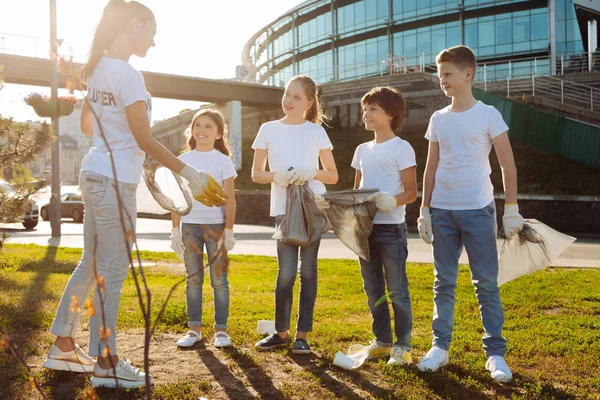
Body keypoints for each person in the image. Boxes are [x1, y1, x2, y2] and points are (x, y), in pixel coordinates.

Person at [42, 0, 226, 389]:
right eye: (151, 33)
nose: (153, 42)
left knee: (90, 265)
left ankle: (62, 345)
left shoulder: (98, 70)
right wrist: (188, 173)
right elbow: (142, 137)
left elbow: (89, 126)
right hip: (112, 181)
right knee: (111, 271)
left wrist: (128, 148)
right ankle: (106, 362)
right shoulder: (128, 74)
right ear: (136, 24)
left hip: (94, 173)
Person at [416, 45, 523, 383]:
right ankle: (440, 348)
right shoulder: (438, 119)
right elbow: (431, 167)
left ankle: (495, 353)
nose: (442, 80)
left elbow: (507, 164)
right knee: (442, 283)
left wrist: (512, 209)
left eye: (447, 73)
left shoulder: (489, 114)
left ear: (468, 74)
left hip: (478, 210)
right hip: (443, 212)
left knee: (486, 284)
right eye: (439, 74)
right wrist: (424, 210)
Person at [251, 75, 338, 354]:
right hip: (284, 211)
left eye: (297, 97)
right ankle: (281, 332)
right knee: (286, 273)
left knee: (308, 272)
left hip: (313, 207)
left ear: (309, 102)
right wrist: (277, 175)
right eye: (287, 94)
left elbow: (333, 175)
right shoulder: (267, 129)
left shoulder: (316, 132)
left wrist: (311, 172)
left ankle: (302, 335)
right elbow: (256, 174)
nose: (289, 100)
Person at [351, 86, 417, 366]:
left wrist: (392, 200)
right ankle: (382, 342)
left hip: (391, 230)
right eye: (364, 109)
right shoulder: (361, 150)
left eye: (372, 109)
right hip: (365, 231)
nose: (365, 114)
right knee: (373, 290)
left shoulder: (402, 148)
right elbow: (356, 192)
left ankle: (403, 346)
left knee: (397, 290)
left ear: (392, 114)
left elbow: (412, 192)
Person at [170, 109, 237, 349]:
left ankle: (221, 330)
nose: (202, 130)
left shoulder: (222, 161)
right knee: (193, 279)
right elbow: (176, 197)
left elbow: (230, 199)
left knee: (219, 280)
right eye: (198, 125)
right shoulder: (183, 160)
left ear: (219, 133)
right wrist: (175, 230)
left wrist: (228, 231)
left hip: (216, 227)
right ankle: (194, 329)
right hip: (190, 227)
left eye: (208, 126)